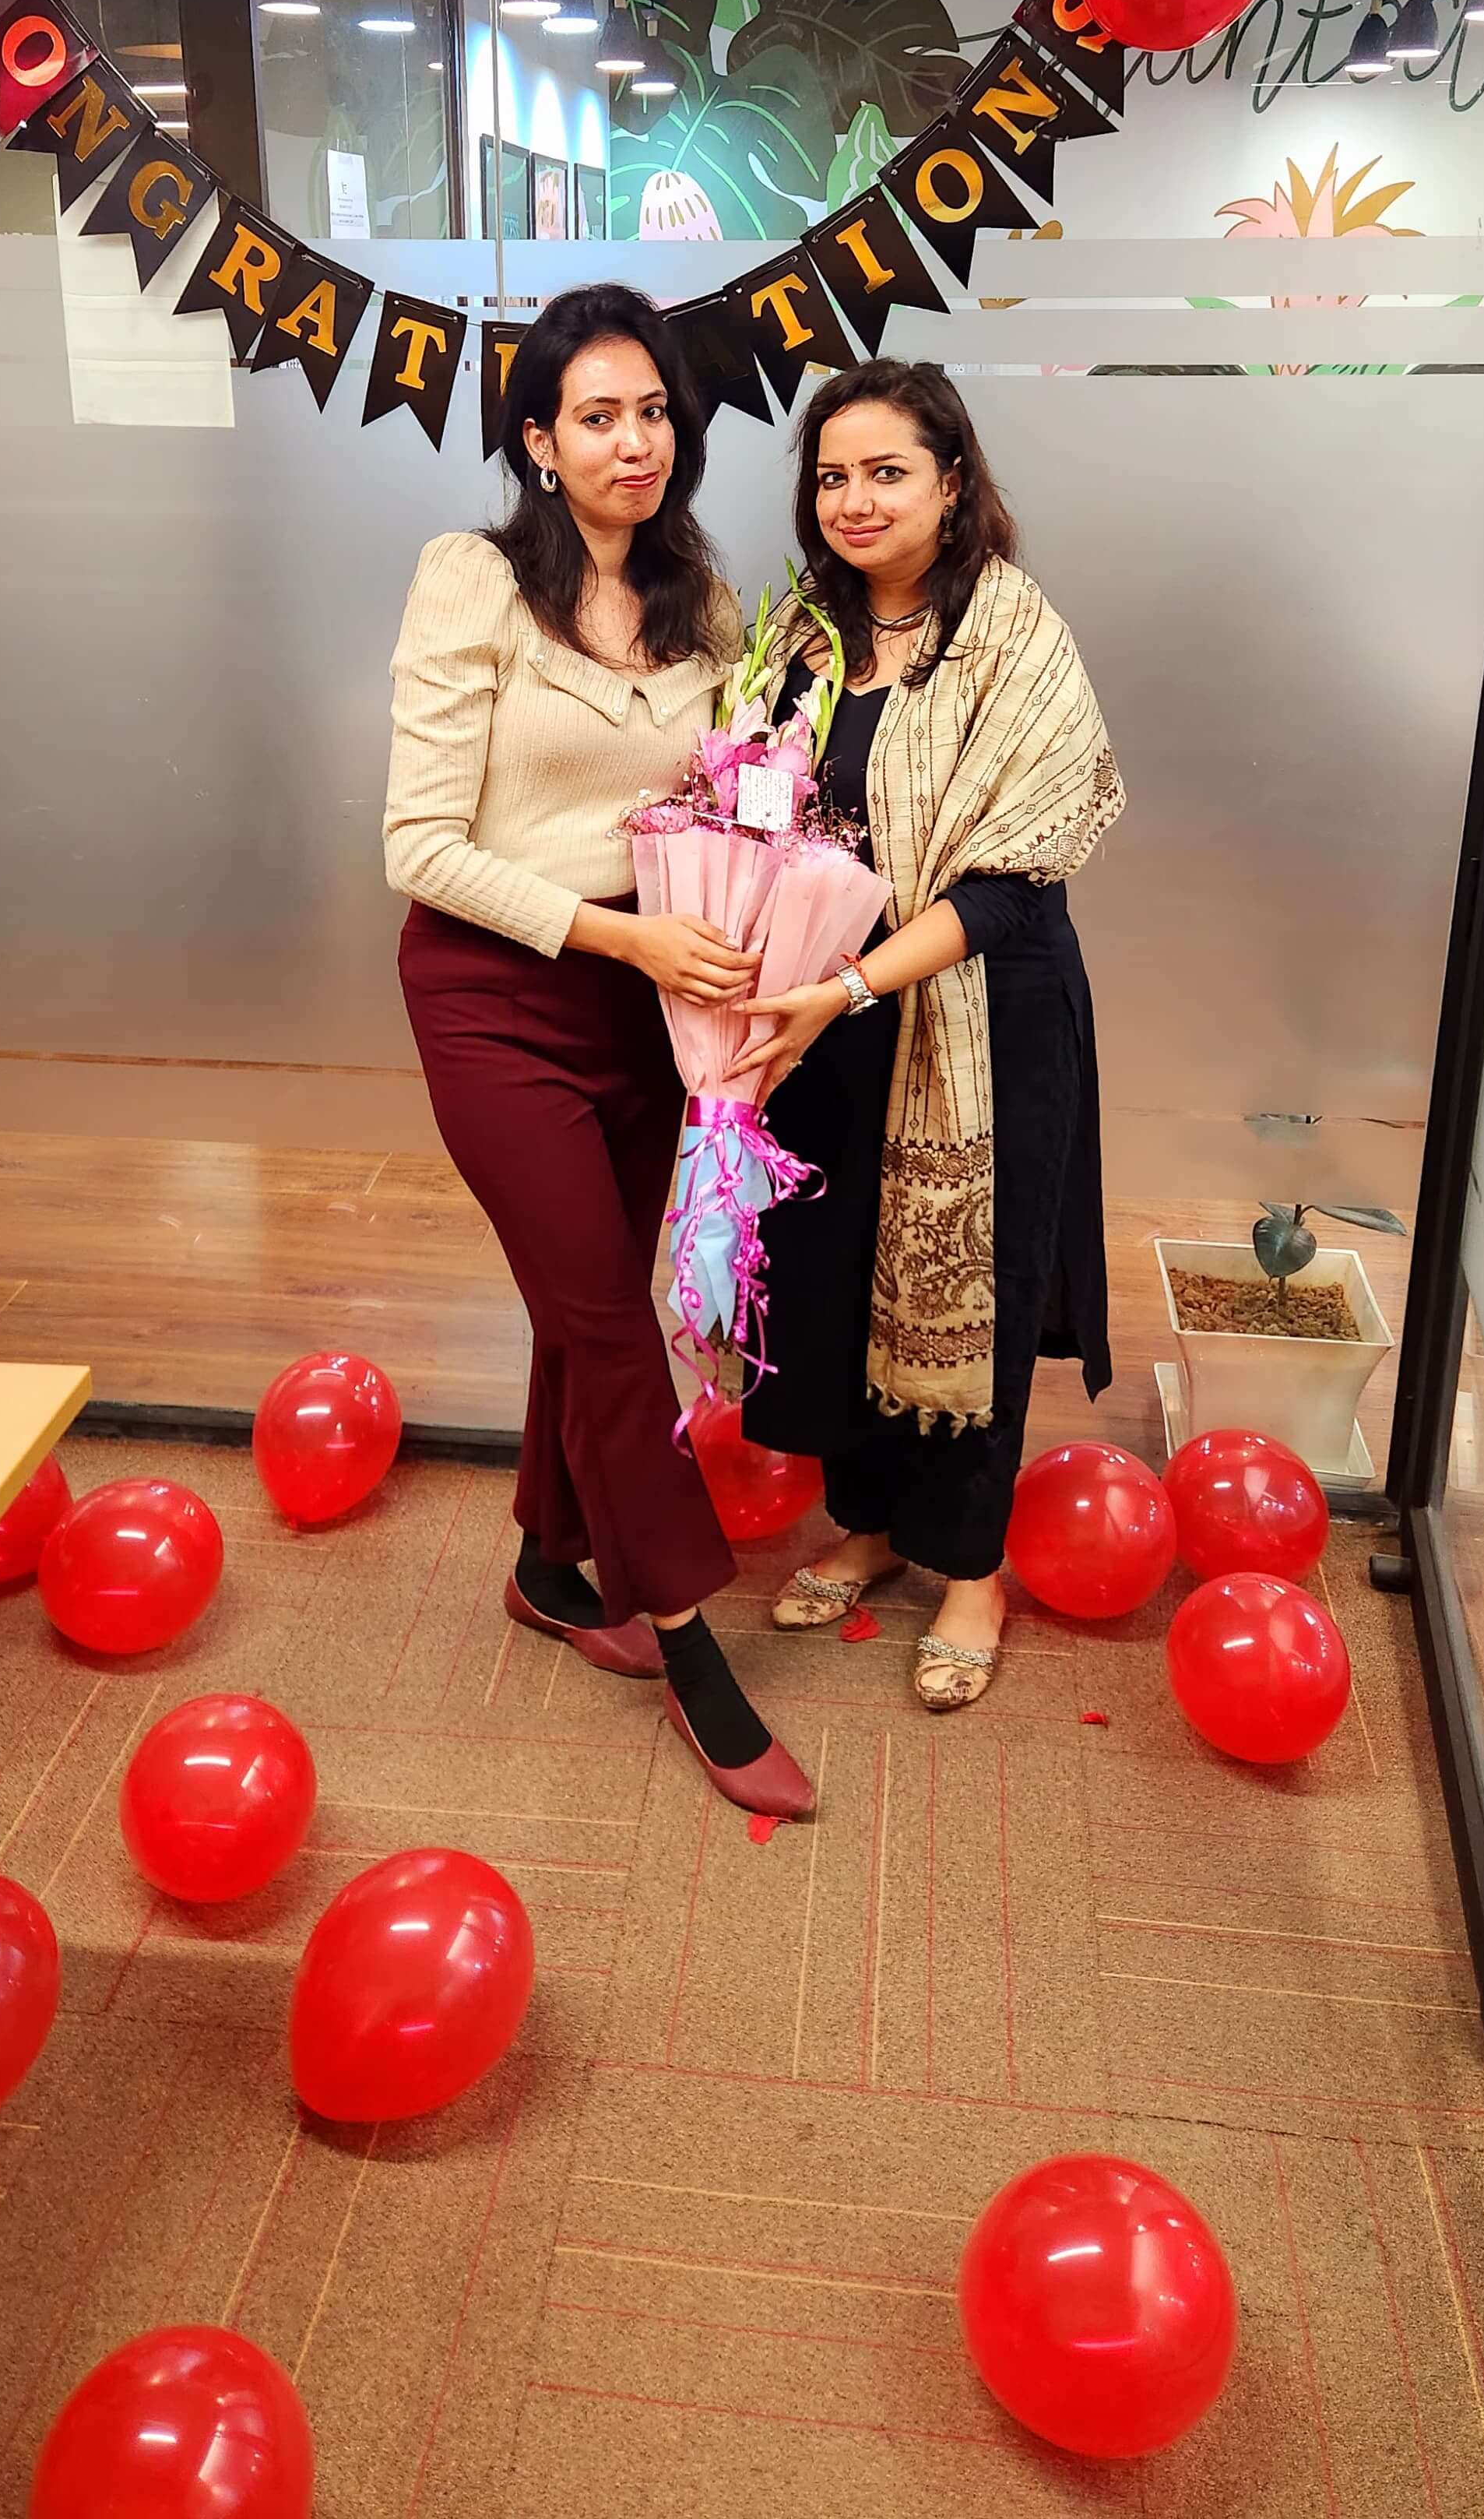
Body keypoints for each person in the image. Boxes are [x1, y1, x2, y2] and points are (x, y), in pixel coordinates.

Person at [385, 282, 813, 1820]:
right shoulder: (476, 581)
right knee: (610, 1324)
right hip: (497, 995)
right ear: (539, 442)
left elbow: (727, 801)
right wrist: (624, 941)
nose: (636, 442)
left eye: (655, 414)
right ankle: (692, 1643)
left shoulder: (707, 602)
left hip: (649, 1004)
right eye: (599, 417)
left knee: (588, 1309)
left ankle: (547, 1564)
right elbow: (418, 844)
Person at [736, 357, 1124, 1712]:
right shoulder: (801, 635)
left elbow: (1015, 882)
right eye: (832, 476)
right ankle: (868, 1526)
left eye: (887, 472)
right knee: (839, 1273)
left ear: (952, 484)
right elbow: (752, 809)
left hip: (979, 1015)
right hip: (824, 1016)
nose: (854, 500)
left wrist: (852, 985)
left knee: (967, 1290)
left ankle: (970, 1567)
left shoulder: (1014, 635)